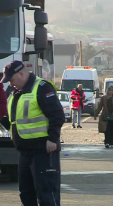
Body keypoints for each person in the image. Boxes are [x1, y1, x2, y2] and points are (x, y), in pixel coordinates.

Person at [0, 60, 65, 206]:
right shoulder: (14, 92)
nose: (10, 84)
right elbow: (14, 120)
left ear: (21, 74)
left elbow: (57, 115)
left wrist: (53, 139)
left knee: (47, 195)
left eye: (12, 80)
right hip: (24, 152)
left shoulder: (41, 88)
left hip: (43, 151)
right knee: (26, 194)